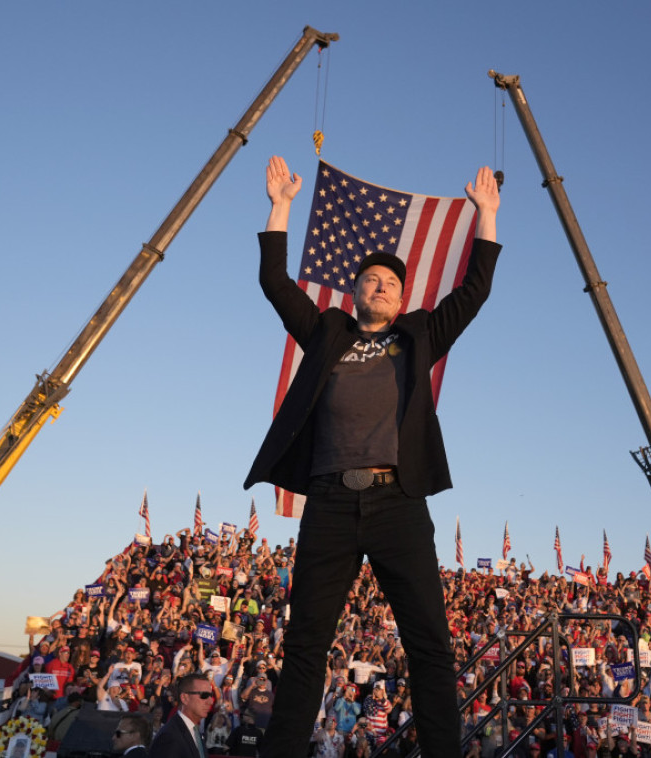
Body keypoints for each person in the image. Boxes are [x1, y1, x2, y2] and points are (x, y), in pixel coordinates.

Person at [245, 156, 501, 758]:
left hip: (398, 502)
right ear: (353, 292)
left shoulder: (419, 337)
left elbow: (475, 291)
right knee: (306, 643)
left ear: (402, 296)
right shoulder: (329, 331)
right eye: (369, 281)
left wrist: (486, 215)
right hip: (330, 501)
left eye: (390, 282)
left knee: (429, 645)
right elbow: (276, 286)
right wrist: (280, 206)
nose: (379, 286)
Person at [149, 673, 215, 758]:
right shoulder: (169, 736)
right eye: (204, 695)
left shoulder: (195, 731)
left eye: (211, 695)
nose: (210, 701)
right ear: (184, 698)